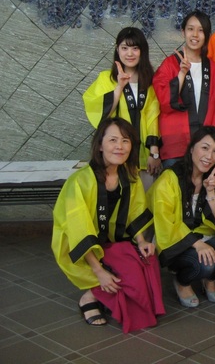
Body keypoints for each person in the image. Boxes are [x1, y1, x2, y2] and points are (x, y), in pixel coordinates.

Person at [51, 118, 165, 332]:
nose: (120, 146)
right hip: (81, 247)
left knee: (148, 260)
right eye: (113, 140)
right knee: (126, 278)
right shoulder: (80, 182)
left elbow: (136, 210)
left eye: (125, 140)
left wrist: (142, 241)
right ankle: (89, 296)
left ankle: (104, 293)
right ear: (100, 145)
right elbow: (78, 231)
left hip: (113, 241)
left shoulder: (129, 175)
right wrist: (99, 271)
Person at [149, 127, 215, 307]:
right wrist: (197, 244)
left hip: (204, 236)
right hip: (176, 238)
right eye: (205, 148)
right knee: (207, 265)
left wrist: (211, 193)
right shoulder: (170, 178)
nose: (209, 156)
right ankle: (182, 282)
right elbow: (166, 220)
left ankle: (209, 279)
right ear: (192, 148)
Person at [83, 27, 161, 189]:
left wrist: (154, 152)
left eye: (135, 48)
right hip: (116, 154)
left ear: (143, 51)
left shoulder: (150, 82)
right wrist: (119, 87)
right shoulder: (106, 79)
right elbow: (100, 116)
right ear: (117, 50)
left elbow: (153, 116)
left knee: (145, 198)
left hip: (144, 156)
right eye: (124, 48)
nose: (129, 54)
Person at [153, 11, 215, 169]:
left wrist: (214, 142)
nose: (195, 35)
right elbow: (163, 102)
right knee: (173, 184)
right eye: (191, 29)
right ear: (183, 32)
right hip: (176, 144)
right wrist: (181, 74)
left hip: (206, 148)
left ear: (207, 35)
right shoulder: (169, 64)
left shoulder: (214, 69)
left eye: (201, 30)